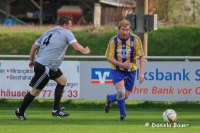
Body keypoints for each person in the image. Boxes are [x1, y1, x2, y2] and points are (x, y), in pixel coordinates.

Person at [14, 16, 90, 120]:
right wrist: (85, 50)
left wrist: (32, 60)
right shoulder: (66, 32)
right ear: (64, 25)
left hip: (48, 66)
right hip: (46, 66)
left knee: (62, 80)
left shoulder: (46, 33)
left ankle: (56, 110)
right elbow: (77, 48)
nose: (70, 28)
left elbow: (34, 47)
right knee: (35, 91)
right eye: (70, 26)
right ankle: (20, 111)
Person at [104, 19, 145, 121]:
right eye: (123, 30)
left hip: (132, 70)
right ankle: (123, 115)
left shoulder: (135, 39)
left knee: (125, 95)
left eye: (127, 30)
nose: (125, 32)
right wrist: (122, 64)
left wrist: (141, 73)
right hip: (117, 69)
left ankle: (110, 98)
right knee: (121, 92)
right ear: (119, 29)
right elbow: (109, 57)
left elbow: (142, 56)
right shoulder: (113, 41)